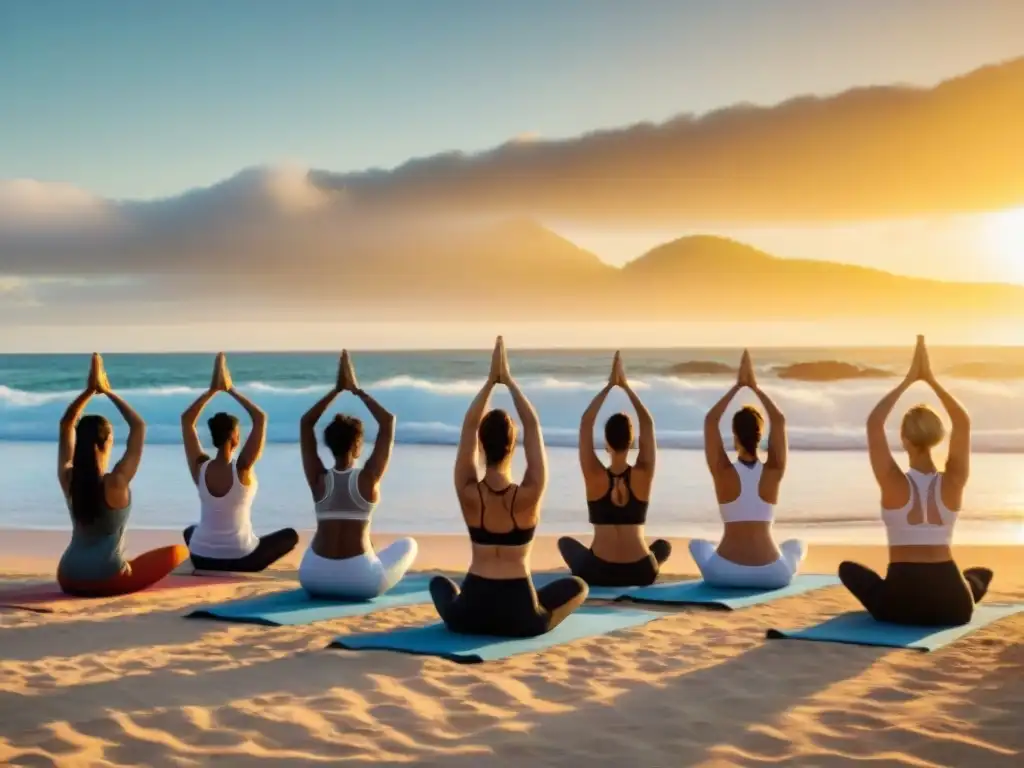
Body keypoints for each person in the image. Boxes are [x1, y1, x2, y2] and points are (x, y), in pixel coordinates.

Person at [430, 337, 588, 637]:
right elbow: (533, 427)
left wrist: (490, 383)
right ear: (513, 445)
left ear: (480, 444)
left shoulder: (468, 492)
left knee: (439, 584)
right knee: (578, 586)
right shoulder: (529, 494)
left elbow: (468, 426)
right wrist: (510, 382)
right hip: (521, 615)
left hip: (470, 613)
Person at [838, 336, 992, 626]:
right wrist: (931, 380)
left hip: (900, 603)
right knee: (981, 575)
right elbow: (963, 421)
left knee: (848, 569)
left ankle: (966, 588)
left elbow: (874, 423)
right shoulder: (955, 480)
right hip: (954, 609)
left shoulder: (892, 481)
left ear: (904, 439)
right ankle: (969, 589)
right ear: (938, 437)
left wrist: (908, 380)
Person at [57, 354, 189, 596]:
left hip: (67, 576)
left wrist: (88, 391)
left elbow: (66, 425)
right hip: (106, 578)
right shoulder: (116, 482)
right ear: (105, 442)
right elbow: (139, 426)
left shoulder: (69, 479)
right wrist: (108, 391)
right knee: (178, 552)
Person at [297, 350, 417, 599]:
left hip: (313, 577)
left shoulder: (319, 480)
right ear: (358, 445)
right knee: (408, 544)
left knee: (370, 549)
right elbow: (388, 422)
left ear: (328, 444)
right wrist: (357, 389)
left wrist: (336, 390)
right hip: (359, 581)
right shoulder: (368, 479)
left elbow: (306, 423)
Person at [692, 349, 805, 589]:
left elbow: (710, 421)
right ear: (760, 435)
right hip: (773, 574)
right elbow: (779, 420)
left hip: (723, 573)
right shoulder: (774, 470)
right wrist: (755, 387)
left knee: (698, 545)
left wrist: (737, 387)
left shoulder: (722, 471)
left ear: (734, 437)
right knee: (797, 545)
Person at [558, 351, 671, 586]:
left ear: (606, 443)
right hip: (641, 571)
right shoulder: (643, 473)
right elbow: (647, 423)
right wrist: (627, 387)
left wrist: (609, 386)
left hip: (599, 571)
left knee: (565, 543)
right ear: (631, 442)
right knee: (663, 547)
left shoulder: (594, 475)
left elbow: (586, 422)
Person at [180, 353, 298, 572]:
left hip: (201, 558)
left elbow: (187, 421)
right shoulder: (242, 468)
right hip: (241, 559)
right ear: (235, 437)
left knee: (191, 531)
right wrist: (231, 389)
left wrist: (212, 390)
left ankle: (211, 549)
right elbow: (260, 418)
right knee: (290, 536)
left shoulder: (200, 469)